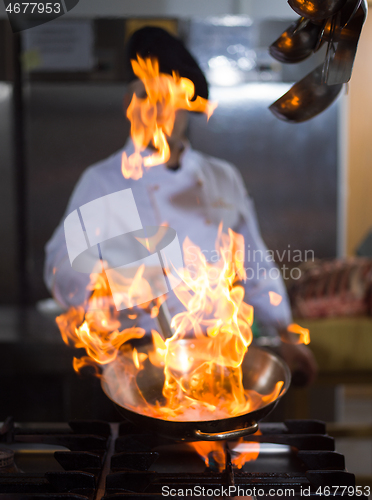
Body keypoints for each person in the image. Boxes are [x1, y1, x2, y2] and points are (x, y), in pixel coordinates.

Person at [44, 27, 317, 385]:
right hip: (139, 361)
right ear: (131, 101)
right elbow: (60, 265)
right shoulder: (105, 182)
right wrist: (104, 287)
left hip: (220, 356)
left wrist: (286, 334)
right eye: (146, 94)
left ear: (187, 102)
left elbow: (255, 265)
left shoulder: (221, 177)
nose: (159, 109)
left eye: (170, 96)